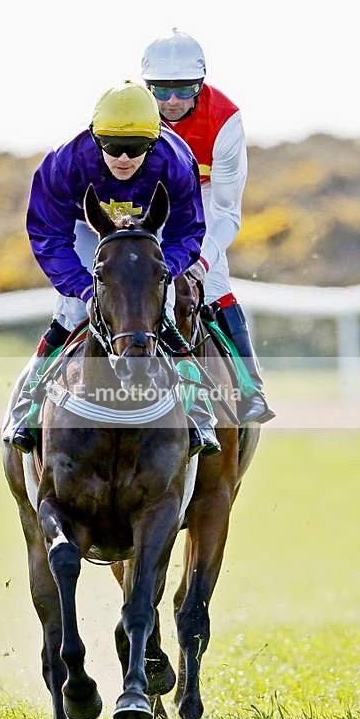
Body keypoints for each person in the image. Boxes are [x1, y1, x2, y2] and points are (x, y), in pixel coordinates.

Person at [3, 81, 219, 455]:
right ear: (93, 137)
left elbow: (187, 230)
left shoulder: (176, 161)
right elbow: (47, 236)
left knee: (162, 308)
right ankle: (29, 403)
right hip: (89, 227)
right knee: (71, 310)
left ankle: (196, 408)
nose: (122, 158)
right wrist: (84, 288)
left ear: (154, 141)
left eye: (135, 148)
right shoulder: (64, 163)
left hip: (151, 229)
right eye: (110, 145)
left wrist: (158, 274)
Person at [142, 29, 275, 424]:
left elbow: (227, 212)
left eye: (184, 89)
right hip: (145, 203)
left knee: (215, 283)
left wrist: (202, 261)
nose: (172, 102)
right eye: (161, 91)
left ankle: (249, 387)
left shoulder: (225, 119)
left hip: (202, 198)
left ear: (202, 83)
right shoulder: (130, 111)